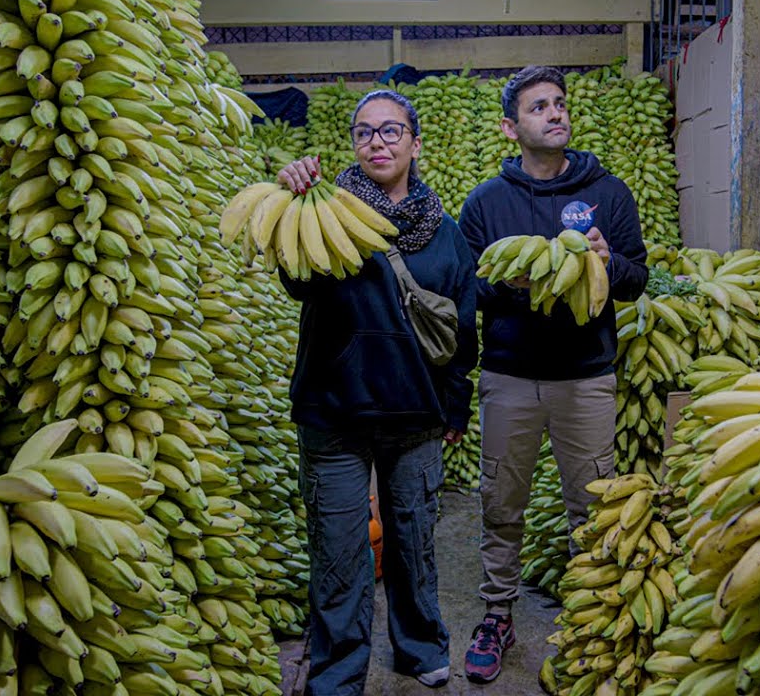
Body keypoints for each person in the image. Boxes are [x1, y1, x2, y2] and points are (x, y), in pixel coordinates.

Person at [275, 89, 479, 695]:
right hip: (334, 409)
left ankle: (420, 648)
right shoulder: (325, 214)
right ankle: (338, 673)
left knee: (414, 543)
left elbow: (462, 328)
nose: (378, 143)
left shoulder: (445, 232)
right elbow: (297, 280)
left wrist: (455, 405)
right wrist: (294, 200)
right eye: (365, 133)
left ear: (415, 144)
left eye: (391, 132)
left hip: (415, 412)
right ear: (353, 145)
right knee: (338, 553)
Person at [457, 65, 650, 684]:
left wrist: (605, 260)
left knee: (590, 508)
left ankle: (587, 618)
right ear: (511, 127)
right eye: (539, 107)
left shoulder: (609, 194)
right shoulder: (487, 202)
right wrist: (508, 286)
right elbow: (469, 289)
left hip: (585, 378)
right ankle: (496, 612)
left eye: (560, 103)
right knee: (500, 502)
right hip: (510, 377)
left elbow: (637, 279)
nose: (556, 113)